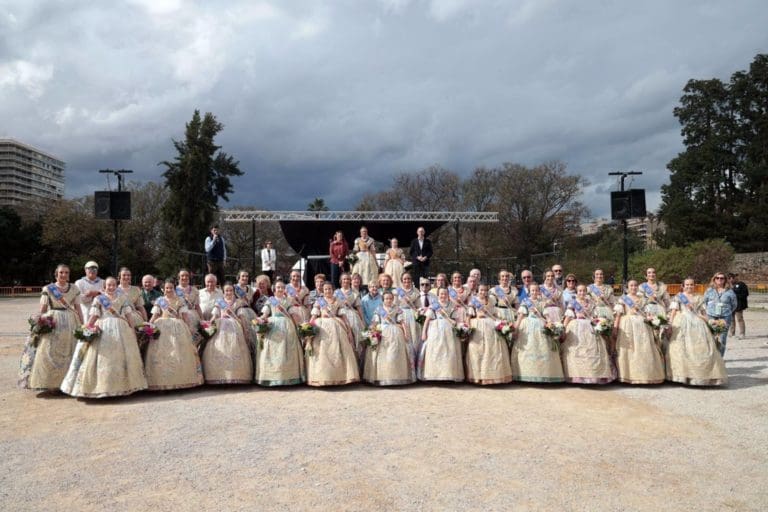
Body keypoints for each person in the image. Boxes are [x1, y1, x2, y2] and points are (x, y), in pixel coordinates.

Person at [60, 277, 148, 398]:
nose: (111, 287)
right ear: (104, 287)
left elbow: (128, 316)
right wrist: (87, 327)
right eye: (108, 285)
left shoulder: (123, 298)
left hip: (121, 330)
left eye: (113, 285)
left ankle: (123, 387)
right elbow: (94, 316)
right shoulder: (99, 299)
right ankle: (102, 387)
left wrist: (132, 330)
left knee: (121, 357)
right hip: (103, 329)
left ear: (116, 286)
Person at [19, 264, 83, 391]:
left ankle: (68, 384)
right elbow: (43, 309)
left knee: (71, 351)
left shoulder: (74, 288)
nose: (64, 275)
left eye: (66, 272)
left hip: (71, 321)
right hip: (53, 320)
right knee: (49, 351)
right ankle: (51, 384)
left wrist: (83, 324)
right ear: (56, 274)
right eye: (61, 272)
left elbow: (78, 308)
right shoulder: (48, 289)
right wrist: (39, 323)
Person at [666, 278, 728, 386]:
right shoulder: (678, 297)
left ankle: (701, 375)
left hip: (698, 322)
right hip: (682, 322)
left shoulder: (699, 297)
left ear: (694, 285)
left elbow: (703, 312)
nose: (689, 286)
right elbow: (673, 311)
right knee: (681, 349)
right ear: (683, 286)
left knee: (701, 348)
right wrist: (670, 324)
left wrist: (708, 321)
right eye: (687, 285)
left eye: (691, 284)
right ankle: (682, 375)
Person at [146, 279, 204, 390]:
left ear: (174, 288)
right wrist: (149, 324)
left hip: (177, 327)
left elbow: (185, 316)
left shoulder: (180, 300)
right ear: (163, 289)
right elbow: (155, 315)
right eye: (166, 288)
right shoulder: (160, 300)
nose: (169, 290)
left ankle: (180, 380)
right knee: (162, 353)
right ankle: (161, 381)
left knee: (178, 352)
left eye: (171, 288)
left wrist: (189, 328)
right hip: (162, 327)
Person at [306, 282, 360, 386]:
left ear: (333, 290)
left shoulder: (338, 301)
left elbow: (344, 317)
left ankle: (339, 376)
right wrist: (308, 327)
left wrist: (348, 330)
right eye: (325, 289)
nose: (328, 291)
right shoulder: (319, 301)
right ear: (323, 291)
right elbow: (314, 316)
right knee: (321, 351)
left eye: (329, 289)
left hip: (336, 326)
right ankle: (322, 377)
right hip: (322, 327)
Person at [611, 280, 665, 384]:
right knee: (630, 349)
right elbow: (618, 315)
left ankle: (645, 375)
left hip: (642, 326)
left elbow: (647, 313)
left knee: (644, 348)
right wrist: (615, 327)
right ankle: (628, 375)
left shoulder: (643, 299)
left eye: (635, 285)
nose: (633, 287)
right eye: (631, 285)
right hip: (628, 325)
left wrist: (652, 319)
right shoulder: (623, 299)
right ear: (627, 288)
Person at [560, 285, 615, 384]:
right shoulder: (573, 303)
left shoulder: (591, 303)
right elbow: (568, 317)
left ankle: (593, 376)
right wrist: (563, 329)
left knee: (592, 349)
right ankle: (578, 375)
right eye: (580, 291)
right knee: (577, 350)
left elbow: (595, 317)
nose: (582, 293)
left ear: (586, 292)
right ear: (577, 292)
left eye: (583, 291)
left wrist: (600, 324)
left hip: (590, 327)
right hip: (576, 327)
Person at [511, 284, 565, 383]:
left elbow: (546, 316)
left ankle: (542, 373)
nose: (534, 292)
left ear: (539, 292)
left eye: (536, 290)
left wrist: (550, 323)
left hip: (540, 324)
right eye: (532, 290)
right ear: (529, 292)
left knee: (542, 346)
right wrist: (516, 328)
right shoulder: (525, 302)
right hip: (527, 326)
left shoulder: (542, 303)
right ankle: (525, 373)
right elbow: (520, 316)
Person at [202, 283, 254, 384]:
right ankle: (219, 375)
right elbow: (215, 315)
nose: (229, 292)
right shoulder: (219, 302)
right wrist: (210, 323)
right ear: (223, 292)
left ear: (234, 292)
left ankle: (236, 375)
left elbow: (241, 317)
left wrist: (243, 328)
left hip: (234, 326)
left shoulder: (238, 302)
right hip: (220, 327)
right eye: (226, 291)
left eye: (231, 290)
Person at [256, 281, 306, 386]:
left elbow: (293, 314)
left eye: (282, 287)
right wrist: (260, 320)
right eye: (278, 287)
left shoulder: (288, 301)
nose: (280, 289)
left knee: (288, 349)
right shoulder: (270, 300)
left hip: (287, 326)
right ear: (274, 289)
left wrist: (300, 325)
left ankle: (288, 377)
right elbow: (265, 314)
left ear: (284, 289)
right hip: (273, 326)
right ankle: (271, 377)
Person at [363, 291, 416, 386]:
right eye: (386, 298)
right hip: (382, 333)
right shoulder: (379, 309)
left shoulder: (397, 309)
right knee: (382, 355)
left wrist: (406, 333)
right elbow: (375, 322)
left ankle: (396, 377)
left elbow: (402, 322)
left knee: (394, 353)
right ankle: (381, 377)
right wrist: (371, 332)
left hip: (396, 333)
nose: (389, 300)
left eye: (390, 298)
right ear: (383, 300)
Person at [465, 284, 513, 385]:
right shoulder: (474, 300)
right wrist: (468, 327)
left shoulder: (491, 300)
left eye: (485, 290)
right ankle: (479, 376)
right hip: (478, 326)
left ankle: (494, 375)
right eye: (481, 290)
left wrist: (501, 322)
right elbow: (468, 316)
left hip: (491, 325)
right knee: (478, 350)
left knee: (493, 349)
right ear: (478, 291)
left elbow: (494, 314)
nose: (483, 292)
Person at [418, 287, 464, 382]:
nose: (443, 295)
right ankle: (434, 375)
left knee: (449, 352)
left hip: (449, 332)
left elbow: (456, 319)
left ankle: (448, 375)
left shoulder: (452, 305)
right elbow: (427, 320)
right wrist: (424, 333)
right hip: (435, 330)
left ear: (448, 295)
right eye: (441, 294)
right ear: (438, 295)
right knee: (436, 351)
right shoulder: (434, 305)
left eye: (445, 294)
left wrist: (460, 327)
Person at [703, 272, 738, 356]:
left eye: (722, 278)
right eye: (717, 278)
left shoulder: (730, 291)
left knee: (722, 338)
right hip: (711, 316)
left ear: (725, 280)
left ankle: (720, 357)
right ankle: (712, 356)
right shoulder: (709, 290)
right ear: (714, 279)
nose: (719, 279)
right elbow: (704, 302)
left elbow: (734, 304)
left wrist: (726, 311)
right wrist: (708, 310)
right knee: (711, 337)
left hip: (724, 317)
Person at [177, 268, 204, 332]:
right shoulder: (174, 290)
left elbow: (197, 306)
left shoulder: (194, 290)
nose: (185, 277)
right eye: (182, 276)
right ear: (178, 278)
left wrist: (202, 319)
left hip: (193, 316)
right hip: (180, 317)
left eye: (187, 275)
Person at [728, 273, 748, 339]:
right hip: (730, 305)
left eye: (731, 278)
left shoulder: (741, 284)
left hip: (739, 305)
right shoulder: (728, 286)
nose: (730, 280)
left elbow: (745, 294)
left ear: (734, 278)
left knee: (740, 319)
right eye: (729, 279)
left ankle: (742, 334)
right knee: (731, 319)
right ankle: (732, 333)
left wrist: (735, 295)